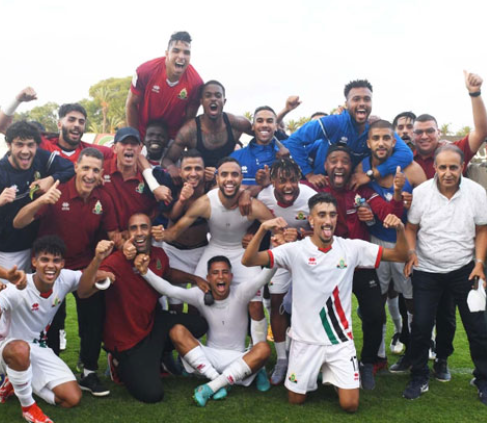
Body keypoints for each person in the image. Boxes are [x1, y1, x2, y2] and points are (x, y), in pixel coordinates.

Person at [241, 193, 409, 412]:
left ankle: (333, 374)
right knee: (295, 399)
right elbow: (249, 260)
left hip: (339, 341)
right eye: (321, 215)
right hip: (305, 342)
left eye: (332, 215)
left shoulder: (351, 248)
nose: (328, 220)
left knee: (350, 405)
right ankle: (321, 373)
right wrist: (263, 228)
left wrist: (400, 229)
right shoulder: (295, 250)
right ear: (311, 220)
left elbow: (400, 255)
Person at [13, 147, 121, 395]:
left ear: (101, 173)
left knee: (93, 315)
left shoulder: (103, 198)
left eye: (96, 170)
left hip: (83, 267)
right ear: (76, 168)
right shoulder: (57, 190)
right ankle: (48, 371)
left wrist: (104, 266)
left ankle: (89, 372)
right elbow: (18, 222)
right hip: (52, 267)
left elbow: (112, 236)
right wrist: (41, 200)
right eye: (86, 168)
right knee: (51, 321)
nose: (90, 175)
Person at [402, 144, 487, 405]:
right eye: (442, 167)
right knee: (421, 325)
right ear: (435, 168)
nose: (448, 172)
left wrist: (479, 263)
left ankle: (483, 379)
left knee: (478, 327)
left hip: (465, 270)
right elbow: (411, 227)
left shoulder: (476, 192)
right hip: (427, 270)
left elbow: (482, 229)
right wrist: (411, 252)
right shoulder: (421, 193)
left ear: (462, 167)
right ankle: (419, 376)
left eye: (453, 167)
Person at [159, 157, 274, 344]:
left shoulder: (252, 205)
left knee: (255, 305)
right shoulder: (206, 202)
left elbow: (276, 228)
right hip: (214, 250)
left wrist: (268, 235)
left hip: (243, 254)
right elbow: (173, 233)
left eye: (234, 175)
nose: (229, 179)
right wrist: (154, 234)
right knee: (195, 301)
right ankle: (192, 352)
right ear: (217, 178)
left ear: (241, 178)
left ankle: (258, 353)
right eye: (224, 174)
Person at [318, 143, 405, 389]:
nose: (339, 166)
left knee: (375, 314)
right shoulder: (317, 190)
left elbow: (389, 212)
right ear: (325, 165)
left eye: (344, 161)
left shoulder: (362, 191)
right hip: (329, 269)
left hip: (361, 267)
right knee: (324, 317)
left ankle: (367, 363)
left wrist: (397, 193)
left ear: (352, 167)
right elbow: (302, 216)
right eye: (333, 161)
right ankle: (326, 362)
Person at [0, 235, 113, 423]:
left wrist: (99, 263)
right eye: (44, 259)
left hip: (36, 346)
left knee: (72, 398)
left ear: (62, 263)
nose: (50, 265)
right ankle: (28, 407)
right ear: (34, 261)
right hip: (6, 347)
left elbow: (84, 286)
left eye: (56, 260)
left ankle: (15, 380)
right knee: (20, 349)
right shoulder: (17, 288)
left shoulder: (65, 278)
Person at [135, 255, 274, 406]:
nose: (220, 276)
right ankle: (218, 380)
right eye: (215, 273)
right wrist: (145, 272)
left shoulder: (241, 291)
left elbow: (263, 278)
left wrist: (276, 255)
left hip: (237, 358)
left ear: (231, 276)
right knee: (177, 330)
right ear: (208, 278)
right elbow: (169, 290)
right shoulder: (200, 295)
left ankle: (210, 387)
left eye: (225, 272)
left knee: (263, 349)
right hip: (209, 358)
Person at [99, 213, 208, 403]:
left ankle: (158, 356)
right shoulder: (116, 261)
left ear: (152, 231)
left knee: (199, 325)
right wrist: (98, 271)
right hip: (127, 340)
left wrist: (195, 279)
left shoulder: (158, 255)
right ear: (127, 234)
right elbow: (97, 278)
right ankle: (117, 362)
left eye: (144, 227)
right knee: (152, 394)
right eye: (133, 228)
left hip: (153, 325)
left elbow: (168, 273)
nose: (139, 232)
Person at [361, 120, 426, 370]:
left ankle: (419, 350)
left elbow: (427, 208)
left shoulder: (412, 169)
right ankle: (378, 355)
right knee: (377, 299)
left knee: (411, 299)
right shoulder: (361, 169)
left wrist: (412, 203)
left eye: (386, 138)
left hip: (404, 241)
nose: (381, 143)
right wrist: (363, 213)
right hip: (375, 243)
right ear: (368, 142)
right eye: (376, 138)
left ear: (393, 140)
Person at [284, 79, 413, 188]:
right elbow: (294, 141)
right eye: (356, 99)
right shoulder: (333, 123)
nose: (362, 103)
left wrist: (371, 174)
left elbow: (406, 154)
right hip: (323, 187)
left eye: (367, 99)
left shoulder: (375, 128)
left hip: (352, 188)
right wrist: (310, 175)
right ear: (347, 104)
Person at [256, 158, 316, 384]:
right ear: (273, 181)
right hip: (280, 256)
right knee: (277, 303)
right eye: (282, 181)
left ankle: (307, 356)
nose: (288, 186)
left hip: (307, 256)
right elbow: (254, 221)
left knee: (308, 306)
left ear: (299, 179)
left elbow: (327, 230)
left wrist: (300, 234)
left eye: (293, 180)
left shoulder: (310, 198)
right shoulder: (263, 197)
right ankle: (282, 359)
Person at [0, 121, 74, 282]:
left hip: (33, 245)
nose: (25, 151)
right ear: (9, 145)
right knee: (9, 293)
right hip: (8, 250)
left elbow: (70, 167)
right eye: (19, 144)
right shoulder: (2, 172)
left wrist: (51, 178)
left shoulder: (40, 156)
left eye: (30, 145)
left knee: (33, 294)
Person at [162, 80, 252, 180]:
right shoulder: (189, 131)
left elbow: (262, 133)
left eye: (218, 96)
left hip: (230, 180)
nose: (213, 99)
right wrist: (172, 169)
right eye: (208, 96)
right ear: (201, 101)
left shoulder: (237, 124)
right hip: (200, 182)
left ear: (224, 101)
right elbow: (167, 160)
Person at [126, 31, 203, 140]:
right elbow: (131, 104)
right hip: (143, 135)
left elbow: (189, 119)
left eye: (186, 53)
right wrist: (135, 138)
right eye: (176, 51)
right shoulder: (145, 71)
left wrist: (178, 144)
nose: (181, 56)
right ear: (167, 53)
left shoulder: (196, 83)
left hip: (171, 139)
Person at [162, 150, 211, 312]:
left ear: (205, 171)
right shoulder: (171, 186)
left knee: (196, 304)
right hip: (174, 251)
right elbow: (172, 215)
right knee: (174, 304)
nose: (193, 173)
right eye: (188, 169)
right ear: (180, 171)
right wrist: (182, 200)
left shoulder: (210, 189)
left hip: (200, 251)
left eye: (198, 168)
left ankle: (193, 329)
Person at [413, 71, 487, 179]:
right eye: (419, 132)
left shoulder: (455, 151)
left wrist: (475, 93)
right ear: (412, 135)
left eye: (430, 131)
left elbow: (481, 132)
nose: (424, 136)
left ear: (439, 133)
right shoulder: (405, 159)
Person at [101, 127, 175, 232]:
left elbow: (159, 209)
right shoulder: (101, 170)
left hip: (137, 237)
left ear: (140, 149)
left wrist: (138, 230)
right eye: (124, 143)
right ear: (114, 148)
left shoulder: (155, 177)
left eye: (133, 144)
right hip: (105, 237)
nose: (129, 147)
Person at [231, 106, 288, 186]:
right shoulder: (235, 157)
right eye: (260, 121)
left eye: (269, 121)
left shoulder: (287, 155)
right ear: (253, 126)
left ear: (276, 126)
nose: (264, 125)